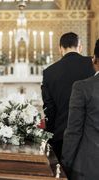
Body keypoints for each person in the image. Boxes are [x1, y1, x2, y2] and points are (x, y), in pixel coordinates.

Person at [41, 32, 95, 161]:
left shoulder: (49, 72)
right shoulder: (93, 65)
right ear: (80, 47)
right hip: (91, 135)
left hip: (62, 135)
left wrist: (50, 136)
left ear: (60, 48)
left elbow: (50, 109)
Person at [62, 39, 99, 179]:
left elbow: (74, 131)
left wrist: (65, 163)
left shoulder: (83, 87)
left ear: (94, 59)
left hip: (90, 166)